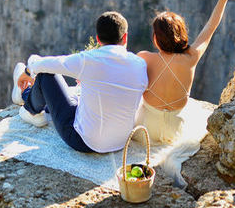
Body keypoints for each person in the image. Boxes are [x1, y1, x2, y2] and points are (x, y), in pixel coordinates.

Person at [11, 11, 148, 153]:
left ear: (98, 39)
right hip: (121, 142)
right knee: (76, 97)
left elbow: (44, 64)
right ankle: (40, 105)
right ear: (125, 37)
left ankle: (28, 103)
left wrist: (27, 72)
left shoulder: (88, 60)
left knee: (46, 76)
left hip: (83, 141)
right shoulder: (140, 64)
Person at [135, 0, 235, 144]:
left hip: (147, 129)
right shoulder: (191, 57)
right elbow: (211, 26)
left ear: (156, 38)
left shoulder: (144, 57)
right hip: (176, 129)